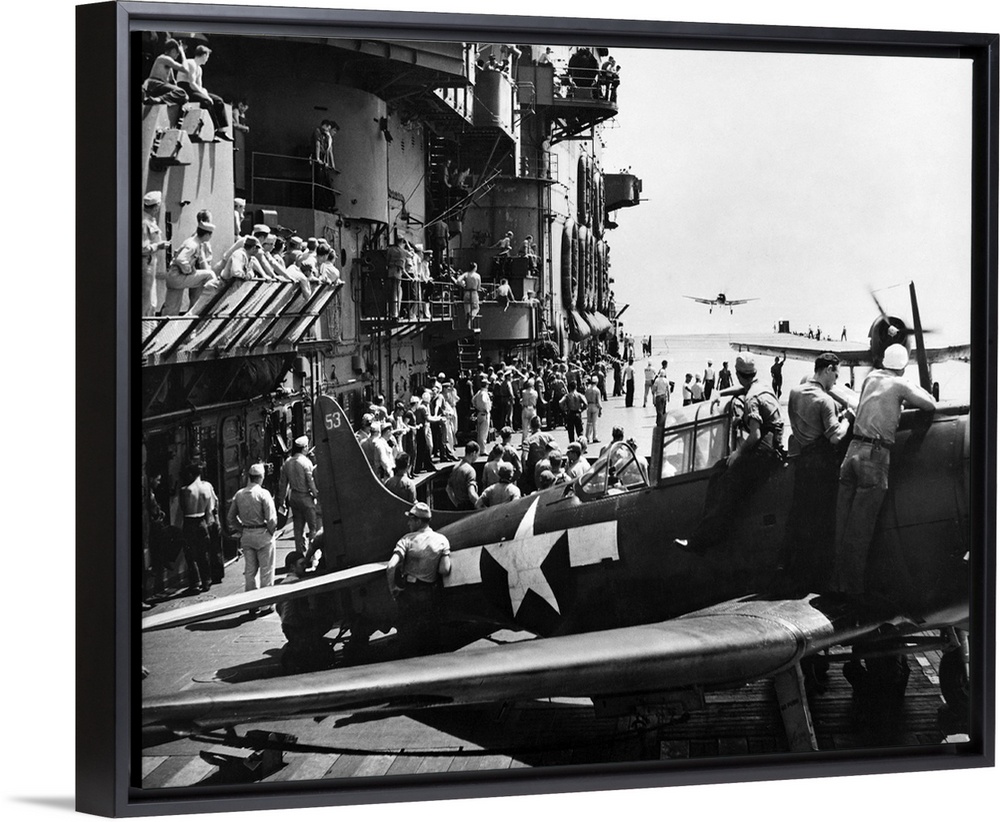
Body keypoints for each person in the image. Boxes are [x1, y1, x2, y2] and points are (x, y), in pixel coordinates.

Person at [832, 344, 936, 598]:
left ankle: (836, 584)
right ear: (903, 366)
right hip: (874, 457)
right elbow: (930, 404)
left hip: (852, 453)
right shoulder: (900, 384)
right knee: (860, 530)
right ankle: (852, 594)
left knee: (842, 525)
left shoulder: (871, 378)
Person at [674, 355, 785, 554]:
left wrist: (738, 453)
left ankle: (706, 538)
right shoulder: (762, 386)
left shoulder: (751, 399)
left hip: (766, 448)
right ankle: (707, 527)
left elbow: (755, 435)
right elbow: (743, 389)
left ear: (738, 374)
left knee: (728, 483)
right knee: (719, 469)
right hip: (772, 442)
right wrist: (720, 392)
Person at [782, 353, 852, 587]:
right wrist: (847, 419)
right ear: (828, 369)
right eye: (836, 375)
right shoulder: (824, 400)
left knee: (801, 517)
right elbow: (835, 437)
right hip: (822, 465)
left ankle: (795, 572)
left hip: (803, 462)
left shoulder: (794, 393)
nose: (835, 381)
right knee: (824, 519)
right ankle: (822, 576)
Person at [385, 503, 452, 655]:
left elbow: (391, 567)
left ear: (418, 521)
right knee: (430, 640)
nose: (408, 523)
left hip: (410, 594)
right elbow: (445, 569)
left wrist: (393, 589)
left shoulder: (407, 540)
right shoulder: (442, 540)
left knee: (408, 641)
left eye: (410, 519)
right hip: (430, 594)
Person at [226, 463, 278, 613]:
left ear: (249, 477)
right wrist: (271, 532)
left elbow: (230, 518)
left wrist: (242, 529)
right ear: (261, 477)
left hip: (247, 535)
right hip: (263, 534)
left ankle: (252, 604)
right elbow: (272, 519)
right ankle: (266, 604)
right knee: (266, 571)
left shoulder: (239, 494)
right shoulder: (264, 494)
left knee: (250, 572)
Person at [176, 45, 233, 141]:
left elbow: (199, 86)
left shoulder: (199, 69)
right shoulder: (191, 63)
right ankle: (213, 129)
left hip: (193, 89)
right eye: (207, 56)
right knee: (207, 101)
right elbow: (191, 84)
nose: (207, 59)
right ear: (204, 55)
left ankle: (221, 130)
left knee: (218, 100)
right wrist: (206, 96)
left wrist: (205, 93)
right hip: (184, 89)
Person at [161, 221, 218, 315]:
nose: (210, 237)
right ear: (207, 234)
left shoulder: (191, 241)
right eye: (210, 234)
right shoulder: (193, 245)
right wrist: (188, 270)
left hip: (172, 277)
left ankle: (164, 324)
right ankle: (209, 304)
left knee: (171, 310)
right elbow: (181, 259)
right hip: (178, 277)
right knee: (209, 275)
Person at [178, 461, 218, 593]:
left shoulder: (185, 490)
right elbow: (211, 507)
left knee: (190, 554)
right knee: (203, 552)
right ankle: (206, 581)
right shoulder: (207, 487)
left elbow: (183, 508)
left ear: (190, 474)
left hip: (189, 521)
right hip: (202, 521)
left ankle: (195, 583)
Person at [278, 435, 320, 554]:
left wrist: (281, 501)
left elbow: (283, 484)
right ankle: (313, 553)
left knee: (298, 528)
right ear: (304, 448)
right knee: (313, 527)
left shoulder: (287, 463)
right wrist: (316, 495)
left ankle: (299, 553)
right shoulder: (306, 462)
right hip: (306, 497)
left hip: (294, 497)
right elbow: (310, 481)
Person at [140, 191, 170, 316]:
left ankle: (149, 325)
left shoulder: (150, 220)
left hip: (151, 263)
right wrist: (159, 246)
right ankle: (145, 327)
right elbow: (143, 249)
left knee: (151, 300)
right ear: (156, 207)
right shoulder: (145, 223)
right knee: (146, 300)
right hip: (146, 264)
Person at [142, 38, 188, 105]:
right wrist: (182, 53)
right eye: (178, 52)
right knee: (181, 92)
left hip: (159, 86)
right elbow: (185, 69)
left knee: (184, 96)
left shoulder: (168, 63)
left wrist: (183, 98)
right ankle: (159, 99)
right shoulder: (164, 58)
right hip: (154, 84)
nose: (178, 55)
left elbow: (173, 82)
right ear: (173, 50)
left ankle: (157, 100)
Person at [446, 442, 480, 510]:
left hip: (459, 507)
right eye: (478, 454)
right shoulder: (470, 470)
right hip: (469, 507)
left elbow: (448, 489)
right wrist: (482, 506)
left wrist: (456, 504)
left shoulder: (455, 467)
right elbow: (471, 494)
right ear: (473, 453)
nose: (477, 457)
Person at [472, 378, 492, 450]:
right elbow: (484, 401)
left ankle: (480, 448)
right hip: (484, 413)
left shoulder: (479, 392)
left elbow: (473, 400)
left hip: (479, 412)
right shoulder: (484, 393)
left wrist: (477, 406)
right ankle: (483, 450)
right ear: (486, 385)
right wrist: (486, 409)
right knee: (483, 433)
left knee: (480, 432)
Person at [584, 376, 602, 443]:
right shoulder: (597, 390)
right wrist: (600, 409)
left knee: (588, 423)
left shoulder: (587, 390)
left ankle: (587, 437)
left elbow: (585, 398)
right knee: (594, 423)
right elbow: (598, 401)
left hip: (589, 405)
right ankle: (594, 437)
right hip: (595, 406)